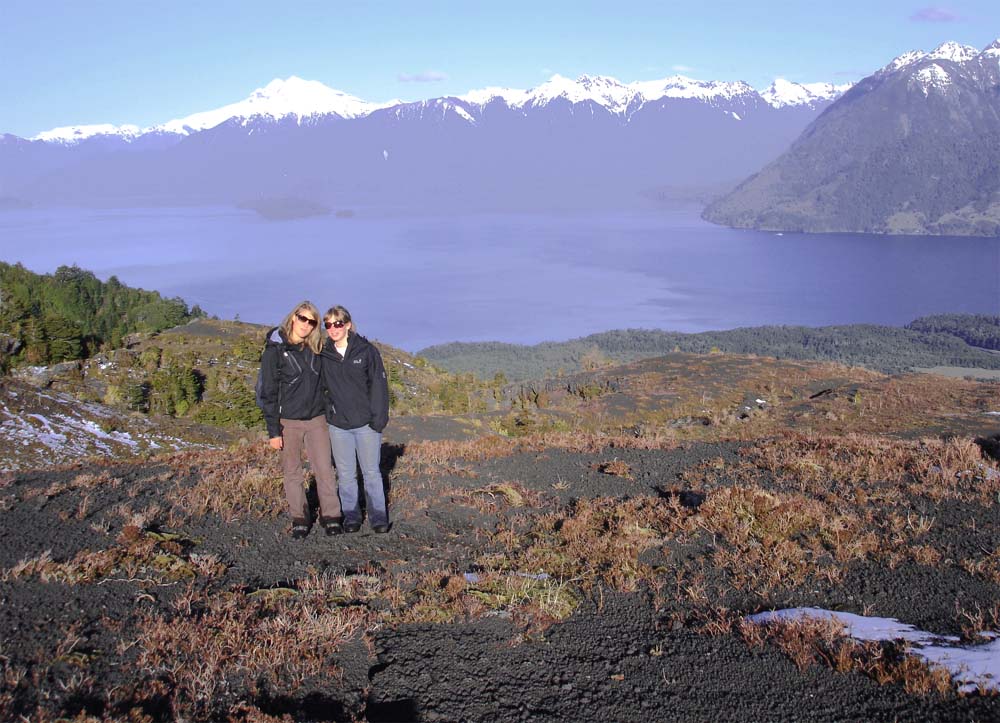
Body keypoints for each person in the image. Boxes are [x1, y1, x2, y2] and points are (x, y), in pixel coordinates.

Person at [257, 301, 342, 538]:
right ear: (293, 317)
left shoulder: (316, 349)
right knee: (292, 472)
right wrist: (273, 431)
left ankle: (331, 516)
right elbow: (269, 393)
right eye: (302, 318)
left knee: (324, 469)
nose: (306, 324)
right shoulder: (275, 351)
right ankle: (300, 518)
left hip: (317, 420)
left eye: (312, 321)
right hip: (288, 422)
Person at [319, 305, 390, 533]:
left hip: (366, 425)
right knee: (346, 474)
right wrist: (328, 414)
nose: (333, 329)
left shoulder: (366, 351)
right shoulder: (323, 353)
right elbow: (318, 387)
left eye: (338, 323)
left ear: (348, 324)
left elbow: (379, 387)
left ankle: (378, 517)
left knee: (371, 473)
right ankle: (351, 516)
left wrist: (378, 420)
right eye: (328, 325)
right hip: (339, 426)